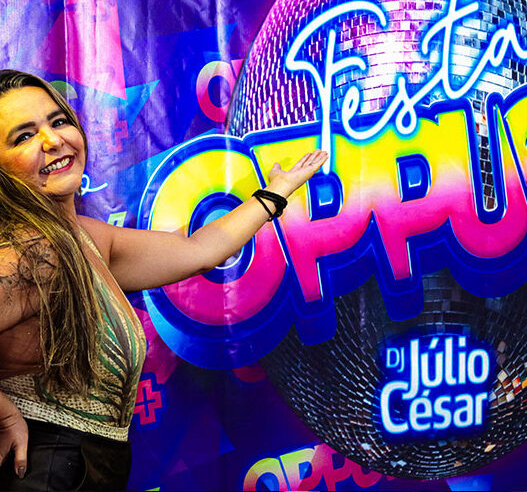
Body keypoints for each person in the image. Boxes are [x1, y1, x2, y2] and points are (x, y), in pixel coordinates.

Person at [0, 69, 327, 490]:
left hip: (90, 467)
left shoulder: (86, 238)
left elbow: (199, 250)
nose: (52, 140)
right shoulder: (33, 254)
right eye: (24, 137)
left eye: (58, 121)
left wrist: (275, 192)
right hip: (47, 469)